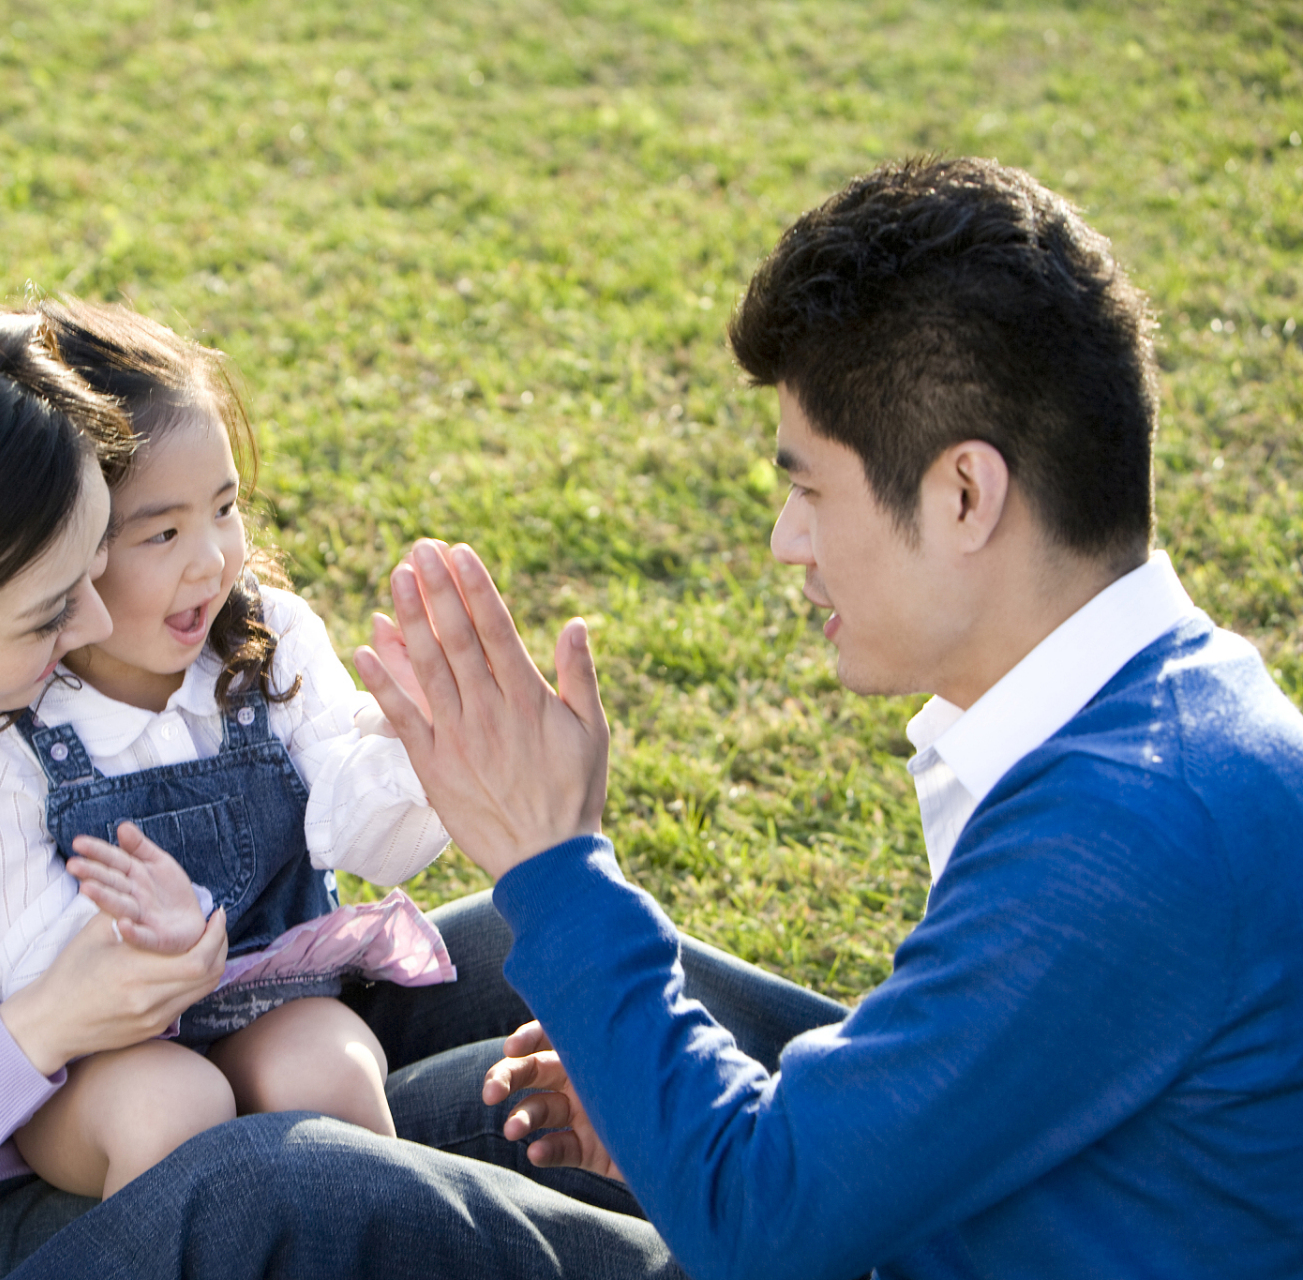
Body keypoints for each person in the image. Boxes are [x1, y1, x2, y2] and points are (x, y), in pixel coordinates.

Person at [0, 301, 679, 1279]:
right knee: (280, 1180)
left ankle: (778, 1156)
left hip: (116, 1077)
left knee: (521, 973)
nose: (93, 623)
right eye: (51, 611)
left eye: (90, 571)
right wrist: (48, 1023)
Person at [352, 156, 1303, 1279]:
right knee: (474, 958)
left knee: (293, 1195)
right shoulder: (1170, 715)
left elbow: (765, 1226)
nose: (786, 542)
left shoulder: (1132, 826)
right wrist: (676, 1109)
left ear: (963, 494)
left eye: (809, 491)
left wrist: (554, 859)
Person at [0, 299, 454, 1198]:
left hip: (275, 1002)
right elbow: (28, 964)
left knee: (325, 1071)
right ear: (62, 548)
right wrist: (157, 948)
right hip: (98, 1054)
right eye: (163, 532)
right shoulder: (4, 729)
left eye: (225, 508)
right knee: (173, 1107)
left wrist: (417, 749)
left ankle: (380, 1246)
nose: (213, 558)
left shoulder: (268, 642)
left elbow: (368, 836)